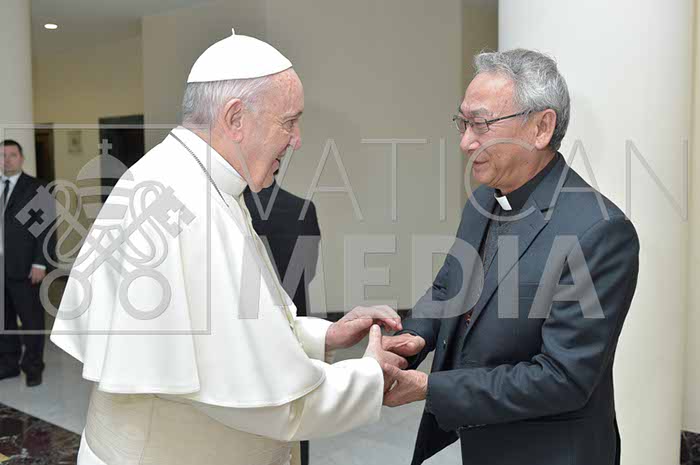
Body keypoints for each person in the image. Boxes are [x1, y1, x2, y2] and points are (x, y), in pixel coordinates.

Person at [50, 29, 404, 465]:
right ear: (236, 118)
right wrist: (369, 376)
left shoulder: (195, 180)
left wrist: (325, 335)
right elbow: (269, 402)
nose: (297, 138)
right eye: (289, 121)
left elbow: (238, 332)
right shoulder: (186, 200)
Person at [381, 49, 640, 465]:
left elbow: (563, 377)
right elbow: (449, 287)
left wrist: (431, 388)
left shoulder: (600, 231)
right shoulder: (486, 198)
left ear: (541, 127)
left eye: (481, 124)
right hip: (481, 441)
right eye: (463, 123)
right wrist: (413, 339)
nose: (466, 142)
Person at [244, 174, 321, 465]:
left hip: (248, 331)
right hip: (295, 329)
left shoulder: (231, 209)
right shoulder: (304, 208)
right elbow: (309, 271)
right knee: (299, 414)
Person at [1, 139, 55, 387]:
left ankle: (33, 366)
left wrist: (40, 263)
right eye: (2, 155)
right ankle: (9, 364)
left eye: (12, 155)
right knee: (4, 320)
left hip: (25, 266)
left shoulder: (37, 188)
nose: (6, 160)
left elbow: (45, 229)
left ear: (21, 158)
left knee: (31, 320)